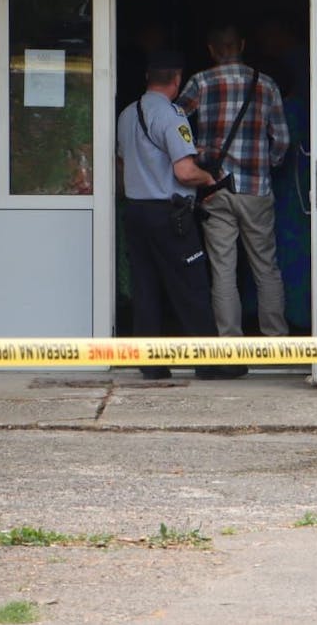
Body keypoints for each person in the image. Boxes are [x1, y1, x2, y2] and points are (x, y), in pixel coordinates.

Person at [116, 49, 246, 380]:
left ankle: (151, 364)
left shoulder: (127, 113)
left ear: (148, 78)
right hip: (169, 215)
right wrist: (212, 180)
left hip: (135, 211)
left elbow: (122, 165)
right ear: (176, 81)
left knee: (145, 288)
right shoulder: (173, 116)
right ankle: (209, 364)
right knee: (192, 288)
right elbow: (185, 172)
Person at [176, 25, 291, 340]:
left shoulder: (200, 82)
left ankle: (229, 343)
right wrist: (268, 165)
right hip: (256, 189)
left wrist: (193, 152)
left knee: (223, 270)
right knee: (266, 267)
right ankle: (276, 339)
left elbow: (172, 122)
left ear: (211, 50)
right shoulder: (266, 85)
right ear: (241, 44)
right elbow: (281, 139)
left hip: (215, 188)